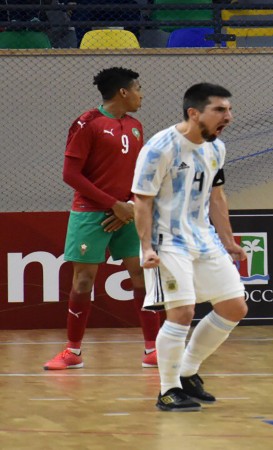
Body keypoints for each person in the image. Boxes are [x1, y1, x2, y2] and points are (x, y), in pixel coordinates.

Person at [132, 83, 248, 412]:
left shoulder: (216, 148)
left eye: (229, 109)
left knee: (234, 307)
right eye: (220, 110)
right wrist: (146, 247)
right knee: (182, 313)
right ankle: (167, 390)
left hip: (203, 237)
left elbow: (216, 196)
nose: (229, 116)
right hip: (167, 241)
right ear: (194, 113)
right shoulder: (160, 148)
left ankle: (187, 373)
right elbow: (141, 200)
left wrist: (228, 241)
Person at [44, 67, 162, 370]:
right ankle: (73, 352)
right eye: (138, 87)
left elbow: (138, 172)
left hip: (128, 213)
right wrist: (113, 205)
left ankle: (154, 349)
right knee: (83, 280)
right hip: (90, 213)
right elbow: (70, 174)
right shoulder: (87, 123)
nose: (142, 94)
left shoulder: (136, 125)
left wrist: (130, 206)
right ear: (123, 92)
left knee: (142, 276)